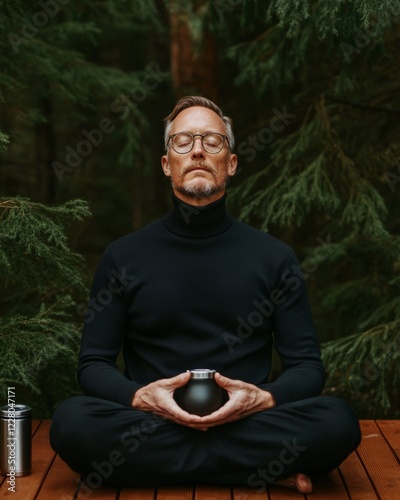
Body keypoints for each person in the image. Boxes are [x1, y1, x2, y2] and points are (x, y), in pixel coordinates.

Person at [50, 96, 361, 494]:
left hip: (246, 421)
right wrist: (141, 396)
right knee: (72, 421)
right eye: (183, 142)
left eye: (212, 141)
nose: (197, 150)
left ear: (230, 163)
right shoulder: (123, 256)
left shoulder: (274, 258)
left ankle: (153, 469)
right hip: (153, 420)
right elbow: (93, 364)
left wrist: (262, 397)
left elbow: (307, 367)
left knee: (338, 420)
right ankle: (257, 470)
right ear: (167, 165)